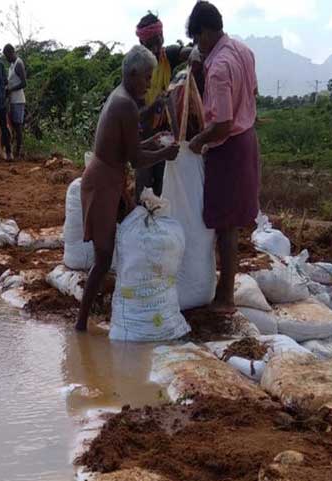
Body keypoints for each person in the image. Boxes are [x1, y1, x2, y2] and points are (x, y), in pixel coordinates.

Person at [75, 45, 180, 332]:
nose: (149, 83)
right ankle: (81, 325)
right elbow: (135, 159)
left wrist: (155, 140)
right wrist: (164, 154)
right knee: (103, 257)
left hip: (108, 178)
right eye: (147, 77)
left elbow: (128, 150)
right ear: (133, 74)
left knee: (119, 246)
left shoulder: (120, 98)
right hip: (103, 183)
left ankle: (108, 312)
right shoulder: (126, 105)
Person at [186, 1, 260, 311]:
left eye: (196, 38)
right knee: (231, 221)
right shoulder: (243, 50)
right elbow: (253, 92)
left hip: (228, 146)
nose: (197, 46)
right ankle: (223, 287)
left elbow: (223, 124)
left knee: (226, 224)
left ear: (204, 32)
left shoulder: (217, 68)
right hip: (247, 140)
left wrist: (196, 142)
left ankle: (225, 296)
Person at [135, 12, 192, 197]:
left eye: (159, 41)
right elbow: (134, 113)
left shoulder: (169, 55)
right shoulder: (135, 67)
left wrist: (196, 52)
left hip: (164, 131)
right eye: (150, 44)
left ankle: (157, 221)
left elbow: (188, 54)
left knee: (161, 181)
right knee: (143, 184)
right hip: (143, 132)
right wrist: (155, 106)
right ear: (142, 44)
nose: (156, 47)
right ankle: (141, 221)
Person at [3, 44, 27, 159]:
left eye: (6, 55)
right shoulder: (11, 66)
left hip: (18, 99)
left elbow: (24, 83)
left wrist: (10, 89)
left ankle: (18, 152)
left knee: (18, 126)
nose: (6, 58)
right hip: (12, 100)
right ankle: (14, 151)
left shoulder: (19, 64)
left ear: (11, 52)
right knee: (12, 125)